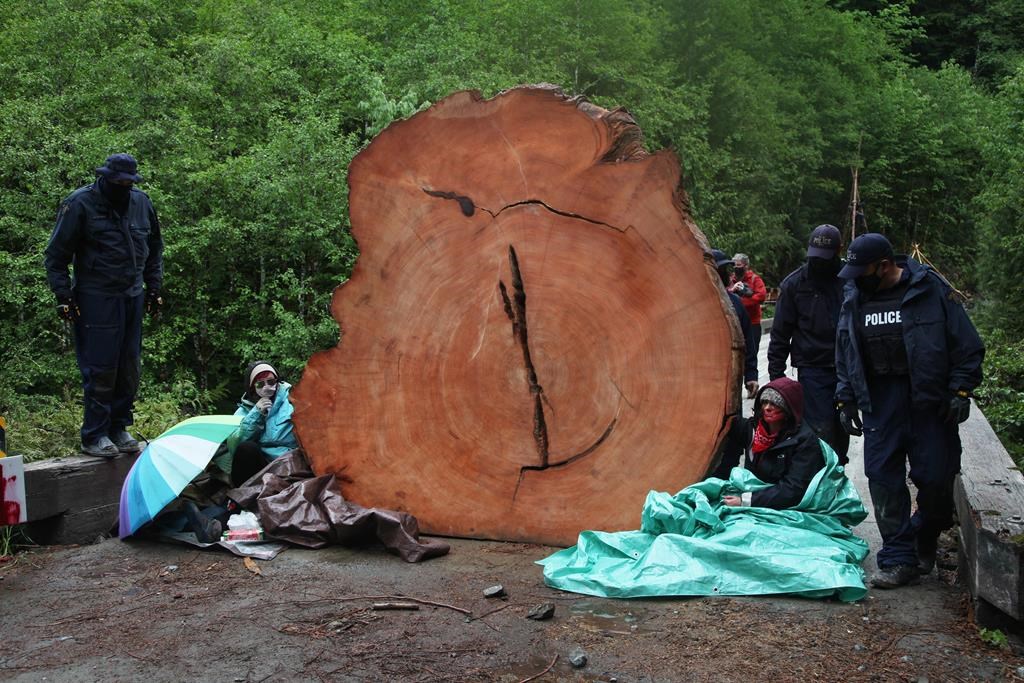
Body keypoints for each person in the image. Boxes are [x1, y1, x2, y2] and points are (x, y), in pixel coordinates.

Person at [835, 233, 985, 588]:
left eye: (862, 270)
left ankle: (924, 532)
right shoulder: (855, 296)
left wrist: (961, 389)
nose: (856, 277)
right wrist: (846, 396)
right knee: (884, 480)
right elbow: (845, 348)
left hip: (928, 402)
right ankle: (898, 557)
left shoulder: (930, 289)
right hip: (880, 402)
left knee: (936, 480)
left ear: (884, 266)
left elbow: (967, 343)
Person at [43, 154, 163, 457]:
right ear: (106, 177)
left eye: (128, 182)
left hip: (132, 295)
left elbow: (155, 250)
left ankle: (119, 427)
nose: (123, 186)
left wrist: (154, 289)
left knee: (128, 367)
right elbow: (56, 255)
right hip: (96, 297)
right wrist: (63, 297)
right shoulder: (80, 203)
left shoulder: (142, 203)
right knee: (100, 367)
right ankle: (94, 434)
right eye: (118, 181)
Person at [767, 224, 849, 463]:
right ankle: (819, 478)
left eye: (825, 257)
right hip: (813, 369)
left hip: (848, 368)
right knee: (820, 431)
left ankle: (837, 468)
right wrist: (776, 377)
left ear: (838, 251)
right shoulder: (794, 284)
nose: (819, 263)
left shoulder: (851, 281)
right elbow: (780, 333)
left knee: (842, 425)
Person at [723, 377, 825, 509]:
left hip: (787, 506)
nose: (767, 408)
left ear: (789, 408)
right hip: (752, 498)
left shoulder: (804, 442)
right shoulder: (753, 429)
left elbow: (793, 490)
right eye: (764, 402)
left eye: (775, 404)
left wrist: (746, 500)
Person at [709, 249, 758, 479]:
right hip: (705, 385)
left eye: (727, 269)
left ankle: (727, 473)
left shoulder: (735, 304)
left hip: (731, 383)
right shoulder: (695, 304)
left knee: (731, 431)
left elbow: (748, 342)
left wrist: (751, 374)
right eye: (722, 269)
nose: (727, 274)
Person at [223, 361, 299, 486]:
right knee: (246, 449)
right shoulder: (243, 411)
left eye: (271, 382)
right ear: (252, 386)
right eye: (260, 383)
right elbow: (234, 446)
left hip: (292, 461)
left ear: (277, 381)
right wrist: (256, 414)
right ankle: (242, 499)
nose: (266, 386)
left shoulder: (293, 398)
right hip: (262, 464)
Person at [729, 253, 768, 380]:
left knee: (752, 351)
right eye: (734, 265)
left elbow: (761, 296)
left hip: (752, 322)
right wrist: (733, 292)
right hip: (735, 321)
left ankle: (751, 380)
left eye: (738, 265)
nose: (736, 267)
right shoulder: (730, 280)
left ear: (746, 266)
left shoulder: (754, 279)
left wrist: (744, 300)